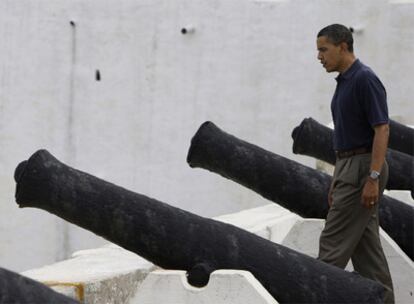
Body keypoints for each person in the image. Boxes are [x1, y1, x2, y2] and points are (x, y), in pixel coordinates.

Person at [316, 24, 394, 303]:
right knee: (366, 249)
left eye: (323, 49)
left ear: (343, 46)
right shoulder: (345, 83)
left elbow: (382, 129)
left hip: (363, 168)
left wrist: (372, 177)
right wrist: (338, 178)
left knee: (332, 245)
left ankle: (313, 295)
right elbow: (346, 139)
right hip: (350, 167)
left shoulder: (364, 79)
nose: (319, 56)